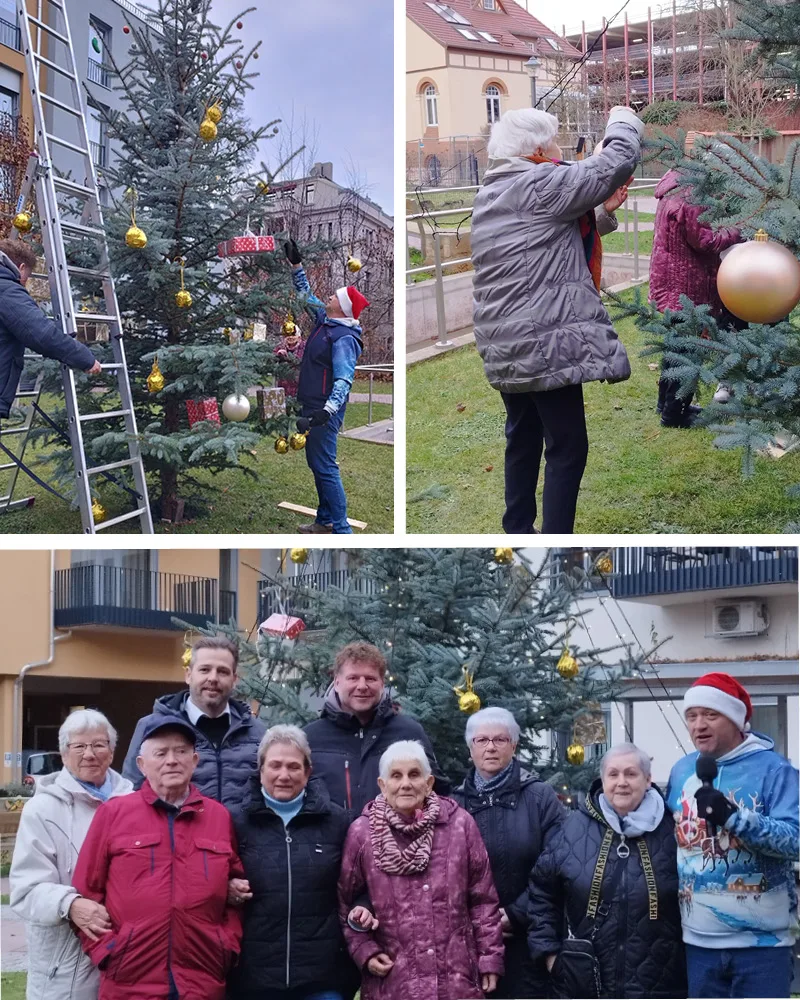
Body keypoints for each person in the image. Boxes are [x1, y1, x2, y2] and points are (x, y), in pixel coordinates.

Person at [471, 105, 643, 534]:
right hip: (541, 338)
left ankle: (518, 529)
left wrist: (601, 213)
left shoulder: (493, 191)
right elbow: (617, 160)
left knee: (523, 437)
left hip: (505, 341)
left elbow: (541, 241)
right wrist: (623, 120)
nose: (561, 149)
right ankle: (555, 542)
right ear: (537, 149)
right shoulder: (539, 182)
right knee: (568, 447)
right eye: (554, 142)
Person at [72, 717, 244, 1000]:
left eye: (181, 752)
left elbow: (237, 889)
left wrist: (226, 947)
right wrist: (108, 952)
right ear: (142, 764)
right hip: (130, 982)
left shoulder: (218, 817)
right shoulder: (114, 814)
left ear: (195, 760)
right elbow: (85, 893)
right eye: (161, 753)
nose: (172, 761)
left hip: (201, 981)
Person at [666, 672, 800, 999]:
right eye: (692, 716)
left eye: (711, 715)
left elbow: (795, 840)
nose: (699, 725)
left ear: (737, 720)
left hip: (762, 947)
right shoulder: (682, 770)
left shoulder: (775, 770)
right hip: (698, 943)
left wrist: (734, 818)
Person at [338, 739, 505, 999]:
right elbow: (346, 904)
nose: (406, 783)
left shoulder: (459, 825)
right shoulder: (362, 833)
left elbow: (483, 900)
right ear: (383, 785)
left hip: (456, 979)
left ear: (429, 783)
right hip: (393, 981)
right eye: (396, 775)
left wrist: (489, 958)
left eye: (414, 774)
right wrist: (364, 950)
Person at [529, 743, 686, 999]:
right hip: (585, 986)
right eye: (613, 774)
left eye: (631, 774)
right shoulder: (574, 828)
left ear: (647, 780)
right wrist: (550, 956)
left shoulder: (672, 830)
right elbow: (541, 891)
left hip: (661, 985)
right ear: (603, 780)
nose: (621, 782)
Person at [227, 724, 359, 1000]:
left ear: (308, 772)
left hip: (323, 979)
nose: (284, 775)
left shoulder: (337, 822)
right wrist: (226, 887)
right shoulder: (235, 822)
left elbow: (359, 885)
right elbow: (212, 878)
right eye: (275, 765)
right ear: (261, 769)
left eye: (293, 766)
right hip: (254, 978)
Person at [10, 709, 133, 1000]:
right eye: (79, 746)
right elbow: (25, 891)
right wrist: (70, 904)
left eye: (99, 745)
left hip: (129, 961)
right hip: (66, 968)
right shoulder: (42, 809)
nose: (89, 754)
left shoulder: (134, 804)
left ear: (112, 752)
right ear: (64, 755)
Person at [453, 707, 564, 999]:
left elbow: (557, 864)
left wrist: (515, 914)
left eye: (500, 739)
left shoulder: (540, 798)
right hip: (469, 944)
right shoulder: (452, 804)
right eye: (481, 740)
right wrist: (480, 922)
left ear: (513, 746)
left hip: (529, 940)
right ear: (470, 747)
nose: (490, 747)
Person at [283, 238, 369, 534]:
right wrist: (296, 265)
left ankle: (342, 529)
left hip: (323, 410)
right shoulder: (325, 321)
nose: (328, 296)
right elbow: (306, 297)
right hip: (313, 403)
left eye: (334, 296)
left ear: (343, 308)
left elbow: (344, 378)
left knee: (326, 466)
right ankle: (325, 521)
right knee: (317, 463)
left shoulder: (343, 338)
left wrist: (326, 411)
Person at [122, 636, 266, 810]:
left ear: (234, 680)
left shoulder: (257, 732)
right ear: (189, 675)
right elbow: (131, 791)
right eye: (205, 670)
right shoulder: (152, 727)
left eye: (223, 671)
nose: (213, 678)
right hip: (176, 834)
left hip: (241, 837)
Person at [304, 641, 449, 813]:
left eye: (370, 678)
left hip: (397, 839)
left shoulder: (408, 732)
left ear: (382, 684)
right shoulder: (311, 738)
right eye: (353, 678)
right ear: (336, 682)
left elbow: (437, 792)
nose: (362, 686)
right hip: (332, 839)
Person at [649, 170, 743, 427]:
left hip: (670, 279)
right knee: (689, 350)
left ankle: (665, 405)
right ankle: (675, 414)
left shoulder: (675, 182)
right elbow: (705, 240)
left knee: (675, 346)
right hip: (687, 284)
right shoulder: (694, 193)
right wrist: (736, 232)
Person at [0, 239, 102, 423]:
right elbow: (41, 334)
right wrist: (85, 358)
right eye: (27, 277)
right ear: (21, 267)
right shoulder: (6, 290)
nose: (24, 284)